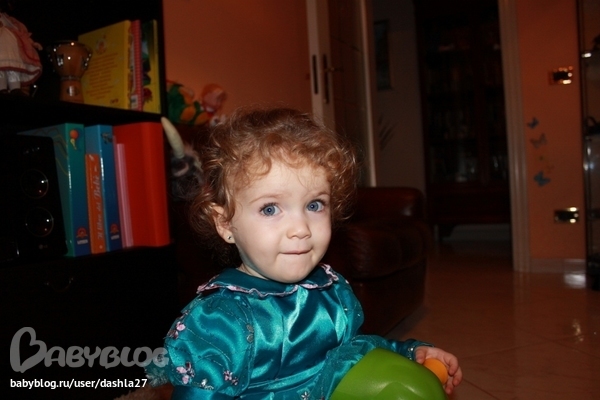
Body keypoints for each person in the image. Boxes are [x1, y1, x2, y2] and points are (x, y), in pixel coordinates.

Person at [146, 106, 462, 399]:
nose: (301, 228)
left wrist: (409, 352)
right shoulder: (220, 322)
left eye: (314, 205)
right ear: (225, 223)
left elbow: (351, 351)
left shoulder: (329, 288)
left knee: (414, 389)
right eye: (270, 208)